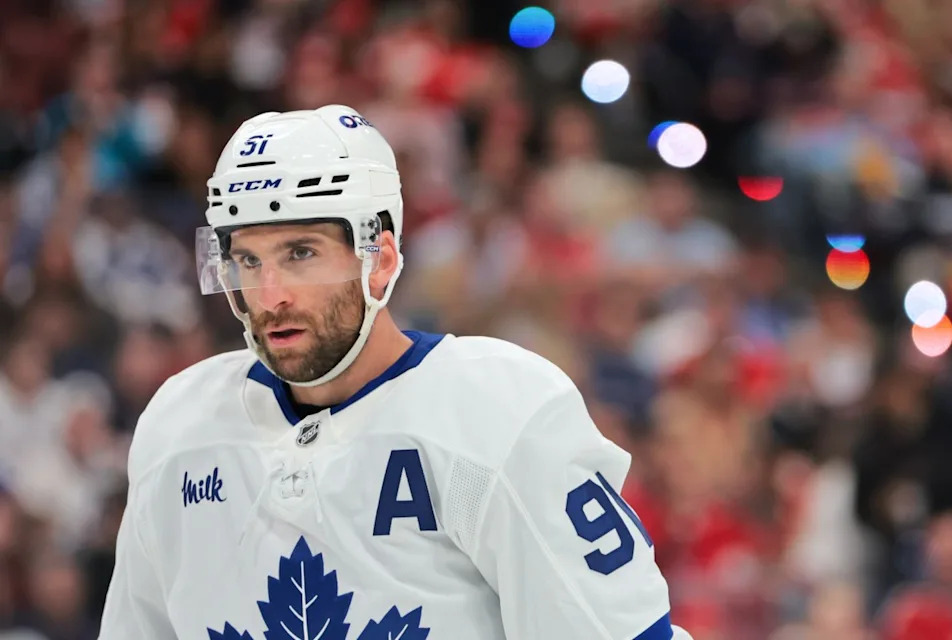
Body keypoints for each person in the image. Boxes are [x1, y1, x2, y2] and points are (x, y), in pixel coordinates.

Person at [98, 105, 694, 640]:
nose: (270, 294)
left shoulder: (498, 415)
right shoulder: (180, 426)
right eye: (248, 260)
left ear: (379, 261)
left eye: (300, 254)